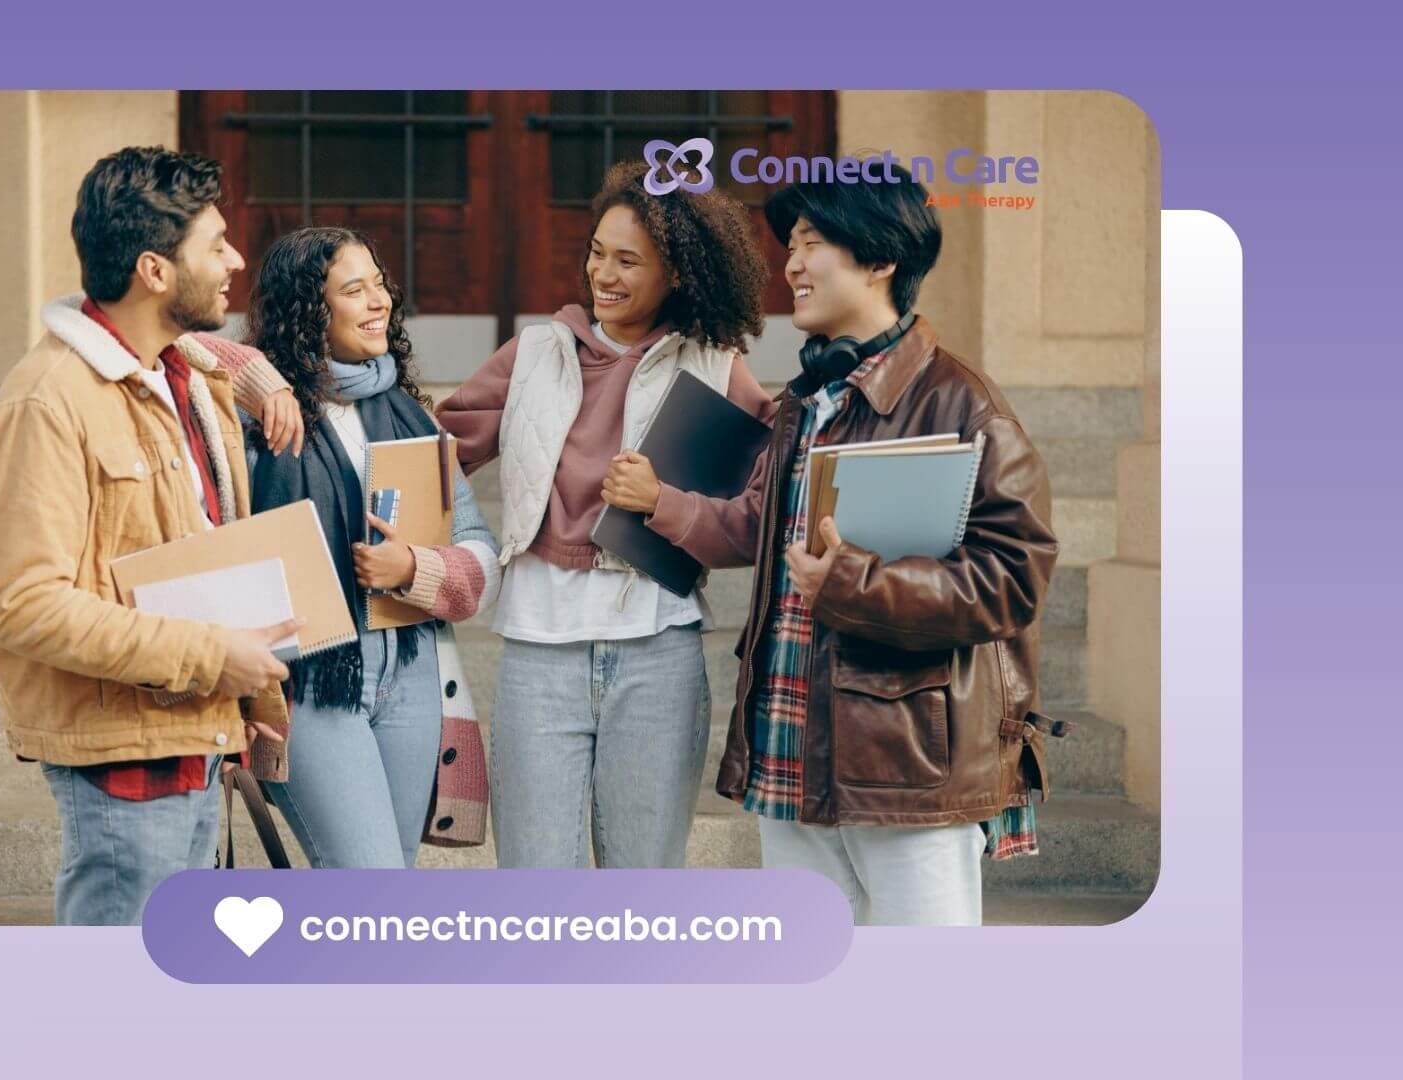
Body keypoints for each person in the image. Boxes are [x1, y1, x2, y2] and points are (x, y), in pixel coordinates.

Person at [607, 163, 1059, 924]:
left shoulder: (962, 403)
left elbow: (1012, 580)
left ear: (881, 259)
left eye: (811, 243)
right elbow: (759, 527)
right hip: (792, 756)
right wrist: (662, 503)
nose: (790, 264)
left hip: (908, 767)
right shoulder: (804, 401)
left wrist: (852, 583)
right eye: (790, 245)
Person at [0, 146, 308, 925]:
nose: (236, 259)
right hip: (123, 754)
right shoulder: (45, 406)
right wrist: (213, 654)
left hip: (193, 727)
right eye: (215, 244)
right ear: (155, 270)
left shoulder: (184, 374)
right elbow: (26, 605)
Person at [435, 160, 775, 868]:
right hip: (539, 650)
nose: (605, 274)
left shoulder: (714, 366)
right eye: (597, 252)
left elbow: (764, 514)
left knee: (642, 885)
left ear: (675, 273)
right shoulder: (534, 353)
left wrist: (665, 504)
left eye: (629, 261)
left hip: (658, 651)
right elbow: (438, 453)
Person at [240, 226, 500, 868]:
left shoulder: (410, 413)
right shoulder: (253, 419)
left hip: (409, 669)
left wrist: (417, 567)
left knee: (390, 884)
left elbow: (478, 548)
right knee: (369, 877)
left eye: (379, 284)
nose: (379, 301)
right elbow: (179, 348)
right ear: (308, 308)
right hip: (311, 679)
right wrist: (249, 371)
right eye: (354, 290)